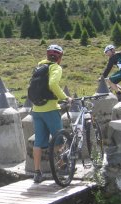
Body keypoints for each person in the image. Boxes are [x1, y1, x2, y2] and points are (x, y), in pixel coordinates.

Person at [31, 44, 72, 183]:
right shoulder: (55, 67)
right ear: (59, 57)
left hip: (36, 109)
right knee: (58, 139)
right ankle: (62, 167)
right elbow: (53, 84)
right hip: (50, 109)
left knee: (38, 141)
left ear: (47, 56)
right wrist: (65, 98)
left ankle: (37, 173)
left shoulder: (39, 67)